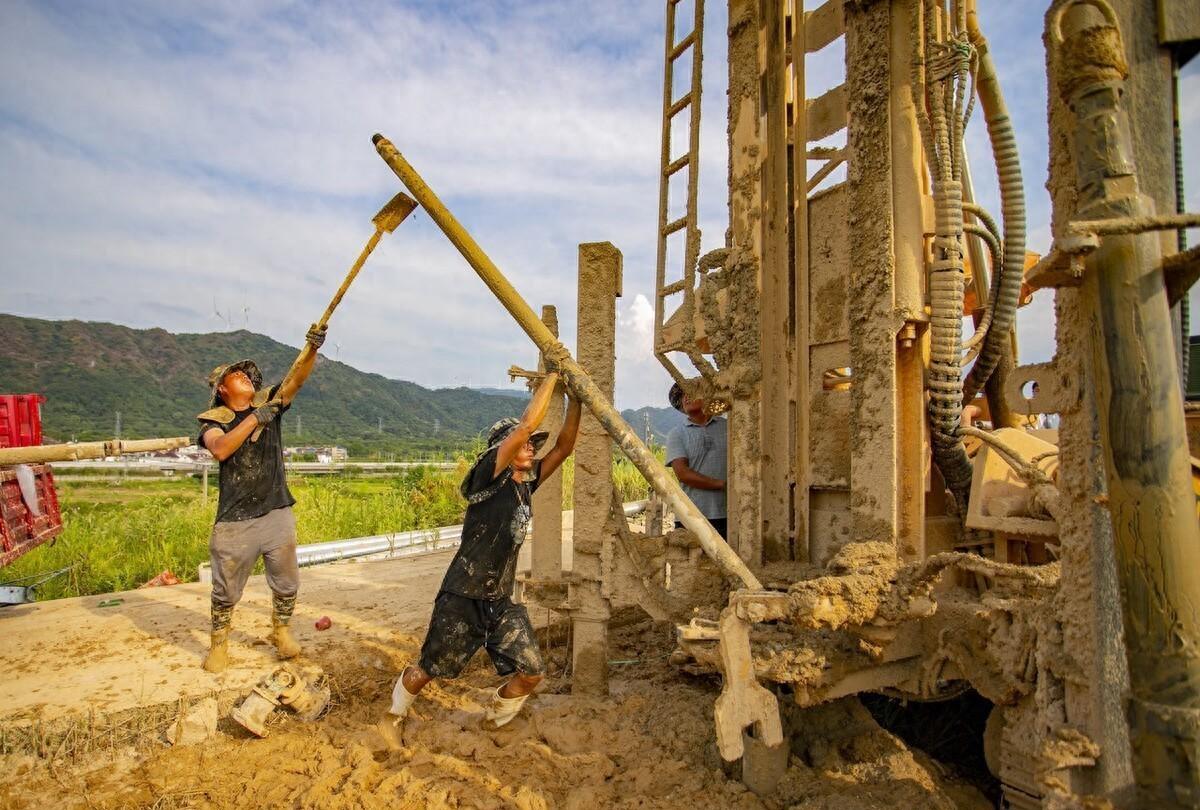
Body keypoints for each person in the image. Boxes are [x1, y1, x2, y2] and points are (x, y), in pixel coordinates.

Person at [387, 371, 581, 729]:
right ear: (499, 451)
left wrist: (577, 399)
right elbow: (525, 427)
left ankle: (494, 719)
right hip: (463, 594)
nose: (530, 446)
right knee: (428, 669)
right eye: (521, 443)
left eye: (531, 445)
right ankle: (393, 716)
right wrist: (553, 377)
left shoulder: (526, 483)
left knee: (532, 672)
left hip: (500, 599)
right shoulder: (486, 478)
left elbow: (564, 448)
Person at [195, 322, 326, 672]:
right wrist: (255, 418)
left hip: (275, 510)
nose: (246, 378)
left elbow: (295, 380)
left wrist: (311, 348)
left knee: (287, 580)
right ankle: (219, 644)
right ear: (222, 389)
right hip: (236, 520)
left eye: (248, 376)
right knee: (226, 589)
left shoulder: (269, 403)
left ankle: (281, 631)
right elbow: (221, 450)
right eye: (237, 376)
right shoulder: (213, 422)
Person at [665, 382, 728, 538]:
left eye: (692, 391)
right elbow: (683, 474)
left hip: (729, 514)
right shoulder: (677, 434)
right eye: (682, 395)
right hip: (691, 516)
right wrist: (724, 485)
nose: (686, 397)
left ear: (707, 396)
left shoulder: (730, 427)